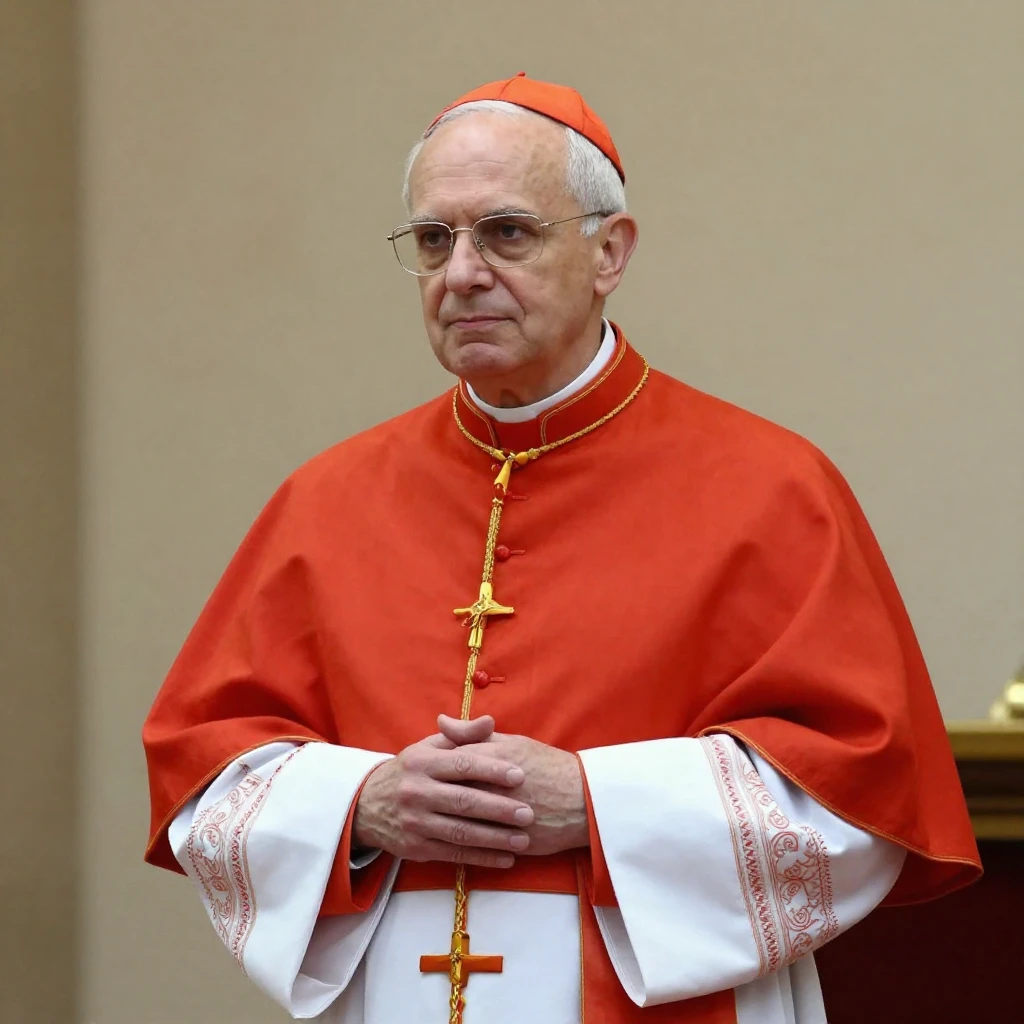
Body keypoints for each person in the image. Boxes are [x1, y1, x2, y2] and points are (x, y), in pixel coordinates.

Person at [142, 73, 981, 1024]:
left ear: (609, 251)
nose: (460, 274)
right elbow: (205, 778)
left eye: (506, 232)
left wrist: (594, 801)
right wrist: (363, 802)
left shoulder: (773, 490)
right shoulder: (323, 500)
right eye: (432, 241)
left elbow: (858, 795)